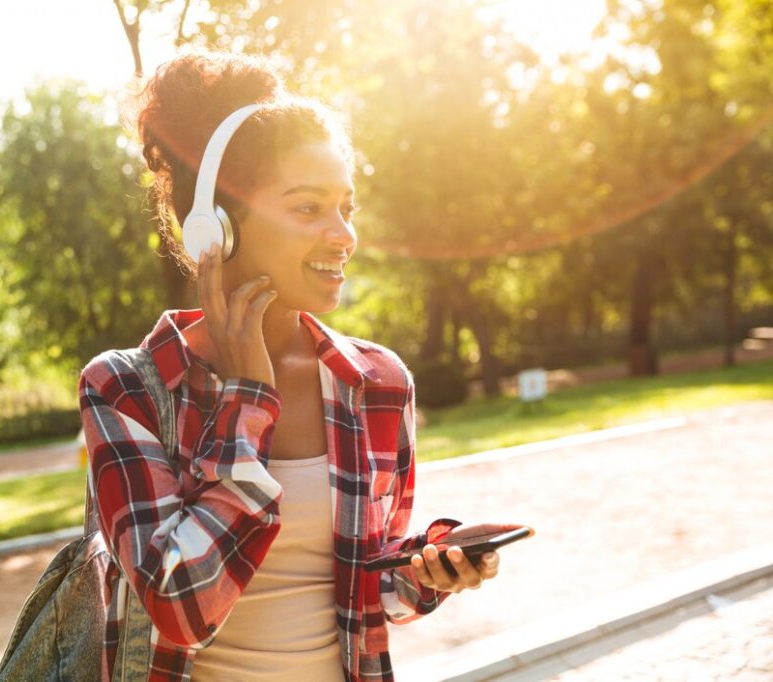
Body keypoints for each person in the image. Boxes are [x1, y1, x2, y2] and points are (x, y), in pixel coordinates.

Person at [78, 50, 529, 682]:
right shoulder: (125, 389)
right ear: (219, 228)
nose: (344, 234)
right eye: (308, 208)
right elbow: (179, 605)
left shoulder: (378, 383)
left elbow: (368, 593)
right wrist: (248, 397)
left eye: (347, 206)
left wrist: (432, 567)